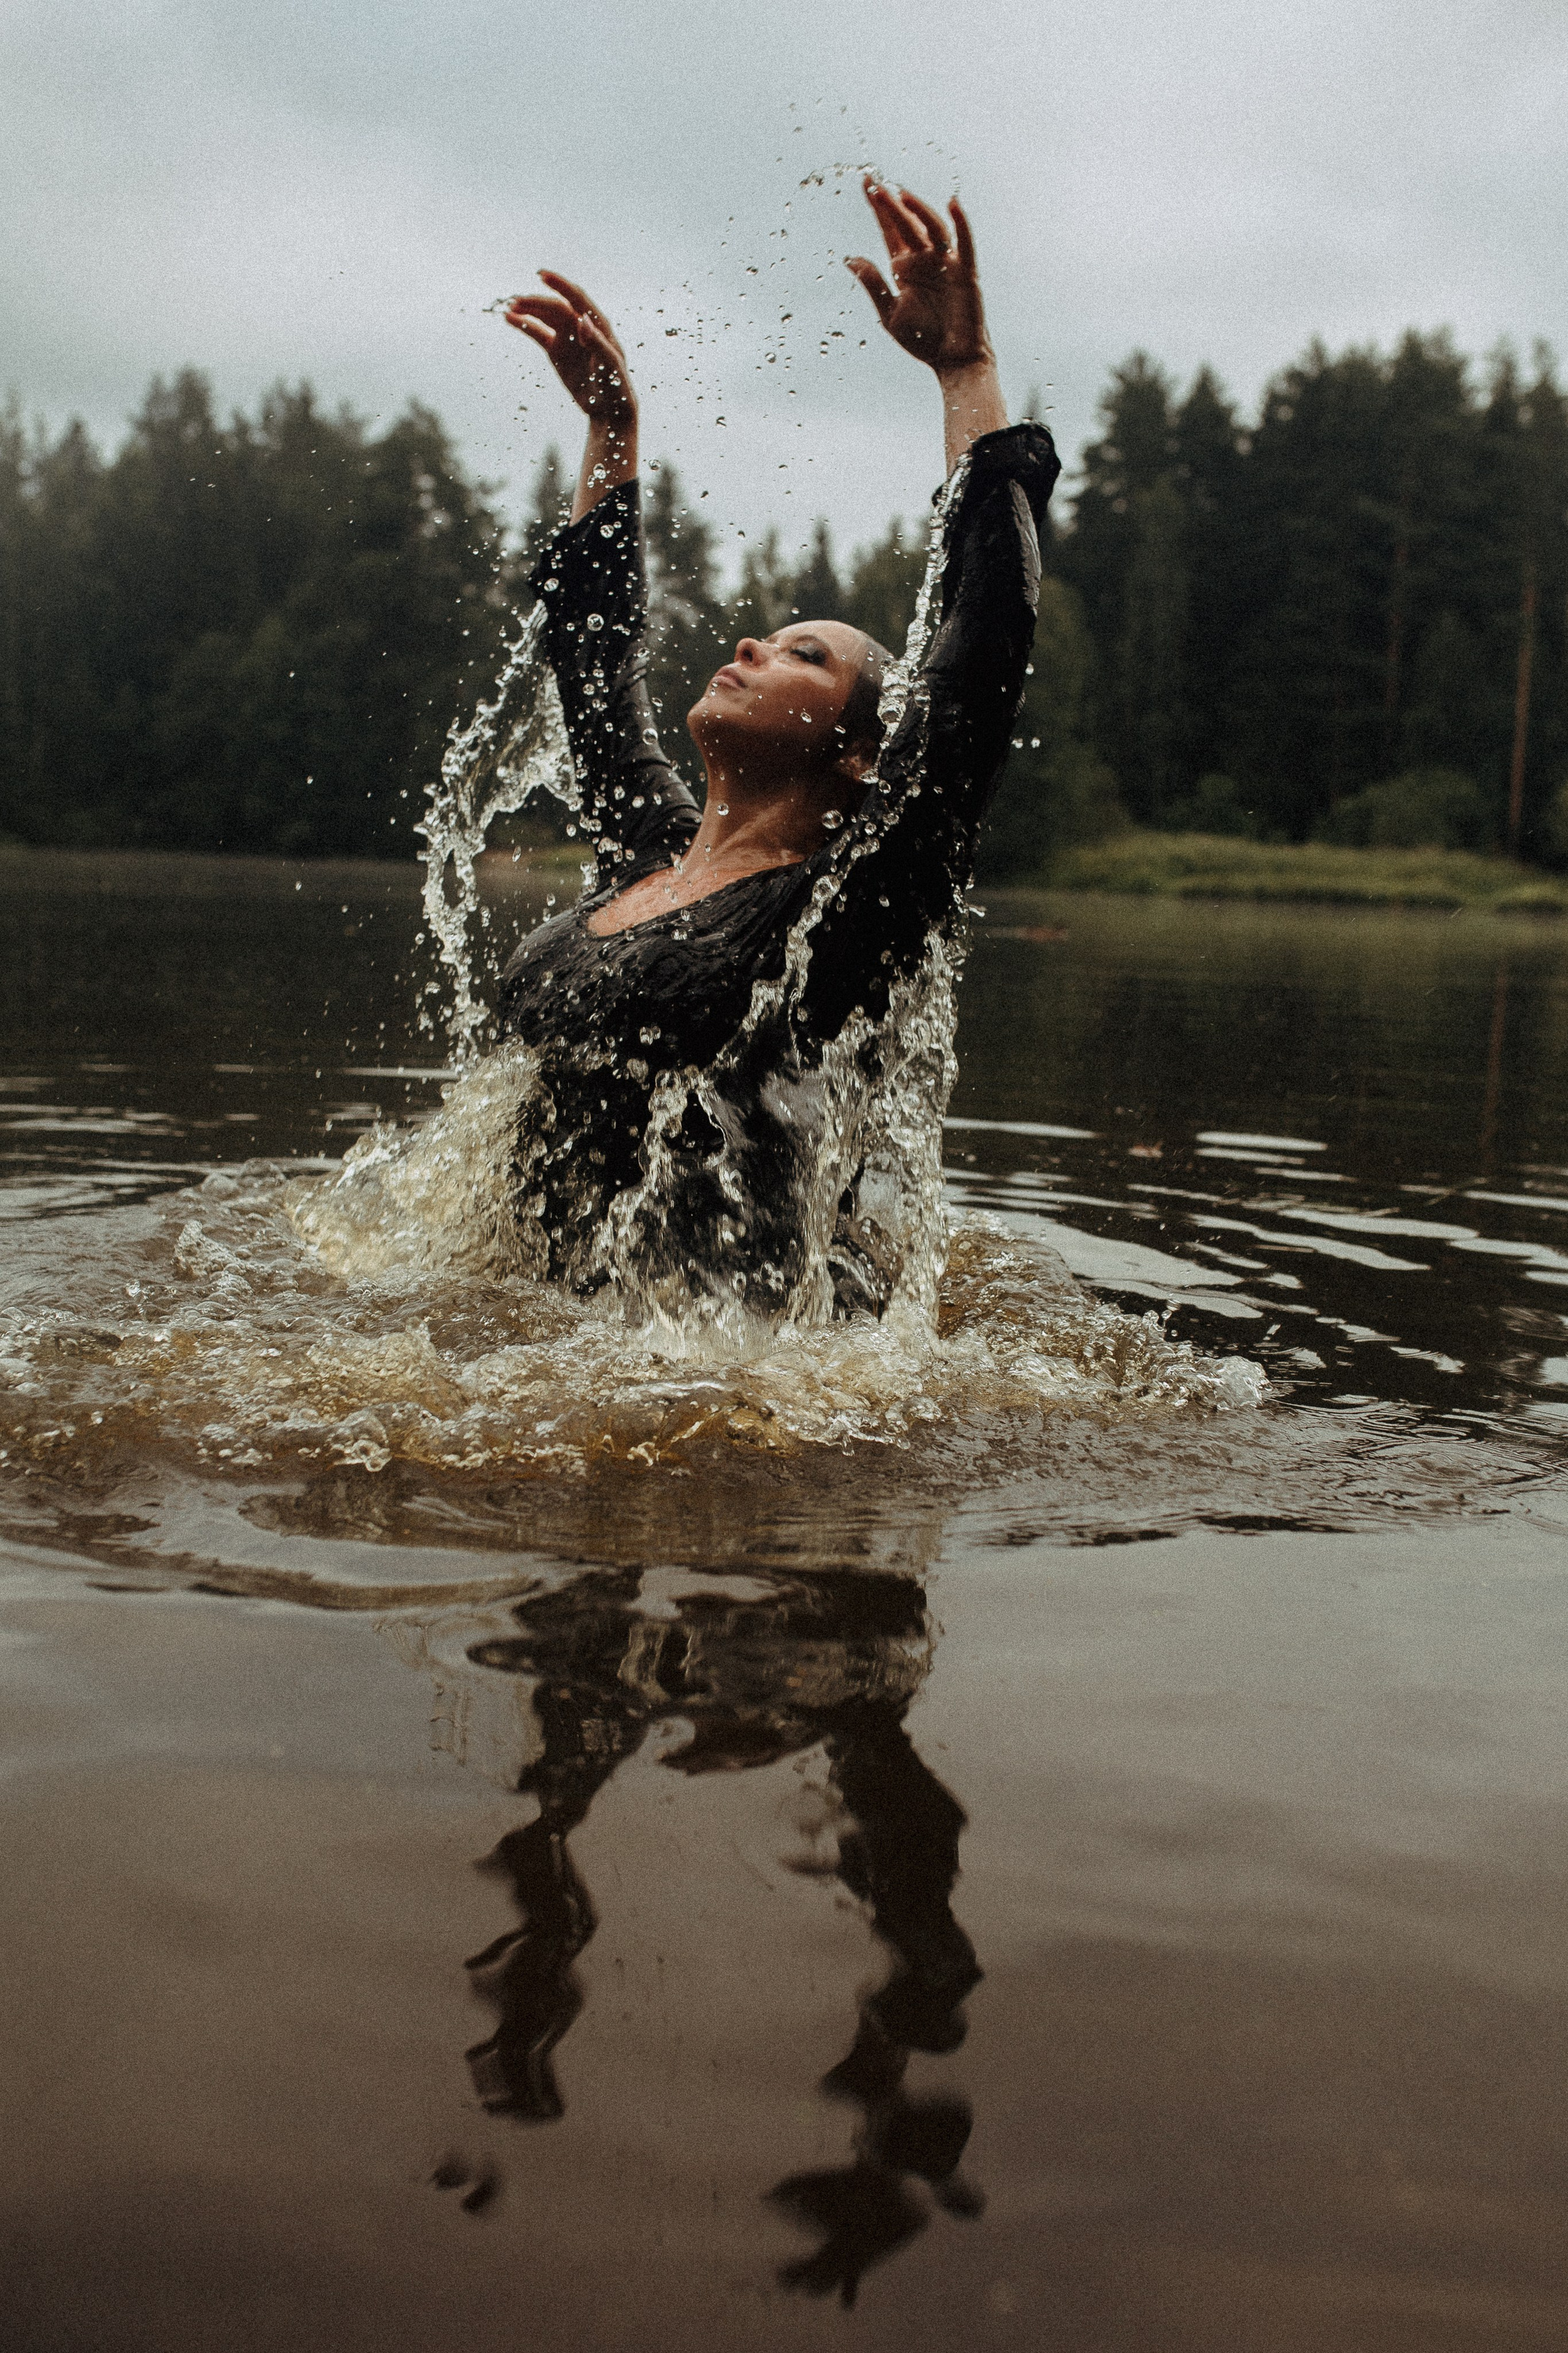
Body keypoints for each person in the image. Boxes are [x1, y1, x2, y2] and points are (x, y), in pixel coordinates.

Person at [495, 178, 1059, 1318]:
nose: (753, 643)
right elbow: (592, 668)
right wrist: (611, 432)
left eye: (805, 656)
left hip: (737, 1365)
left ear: (860, 754)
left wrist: (965, 375)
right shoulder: (647, 855)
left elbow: (983, 643)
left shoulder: (846, 908)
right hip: (561, 1336)